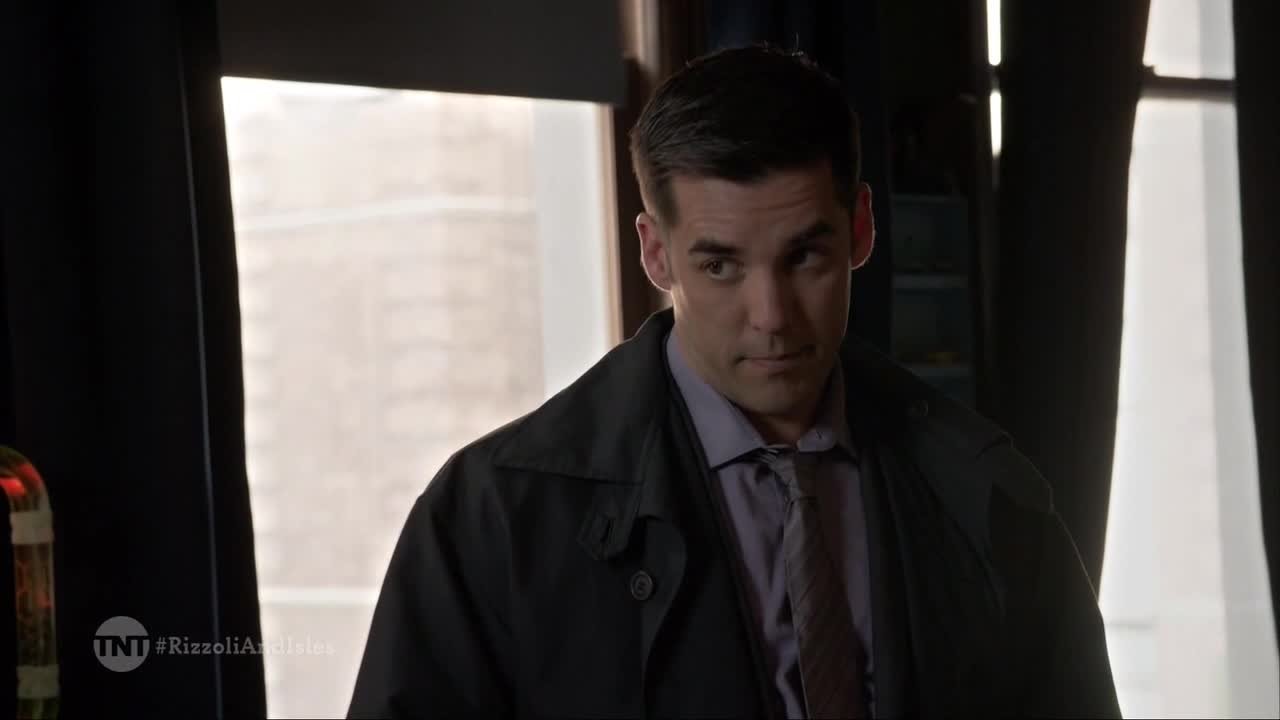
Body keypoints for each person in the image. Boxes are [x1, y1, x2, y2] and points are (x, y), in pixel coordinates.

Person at [347, 45, 1120, 719]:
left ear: (860, 228)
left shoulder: (985, 489)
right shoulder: (496, 516)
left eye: (804, 257)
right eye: (720, 265)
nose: (772, 317)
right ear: (656, 254)